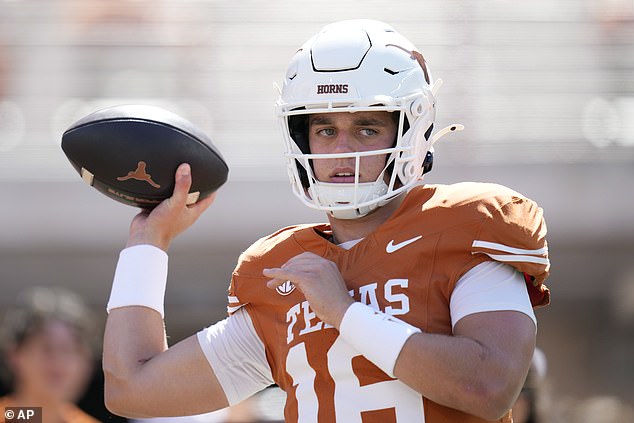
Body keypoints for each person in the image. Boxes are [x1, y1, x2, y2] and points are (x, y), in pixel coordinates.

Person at [102, 19, 551, 423]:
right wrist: (148, 241)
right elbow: (131, 390)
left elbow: (488, 387)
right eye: (325, 130)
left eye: (366, 128)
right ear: (302, 138)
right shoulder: (281, 270)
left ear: (411, 132)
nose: (342, 151)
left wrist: (344, 312)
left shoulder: (468, 225)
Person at [0, 286, 100, 423]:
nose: (58, 362)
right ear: (15, 355)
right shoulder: (8, 417)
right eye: (47, 349)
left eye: (68, 351)